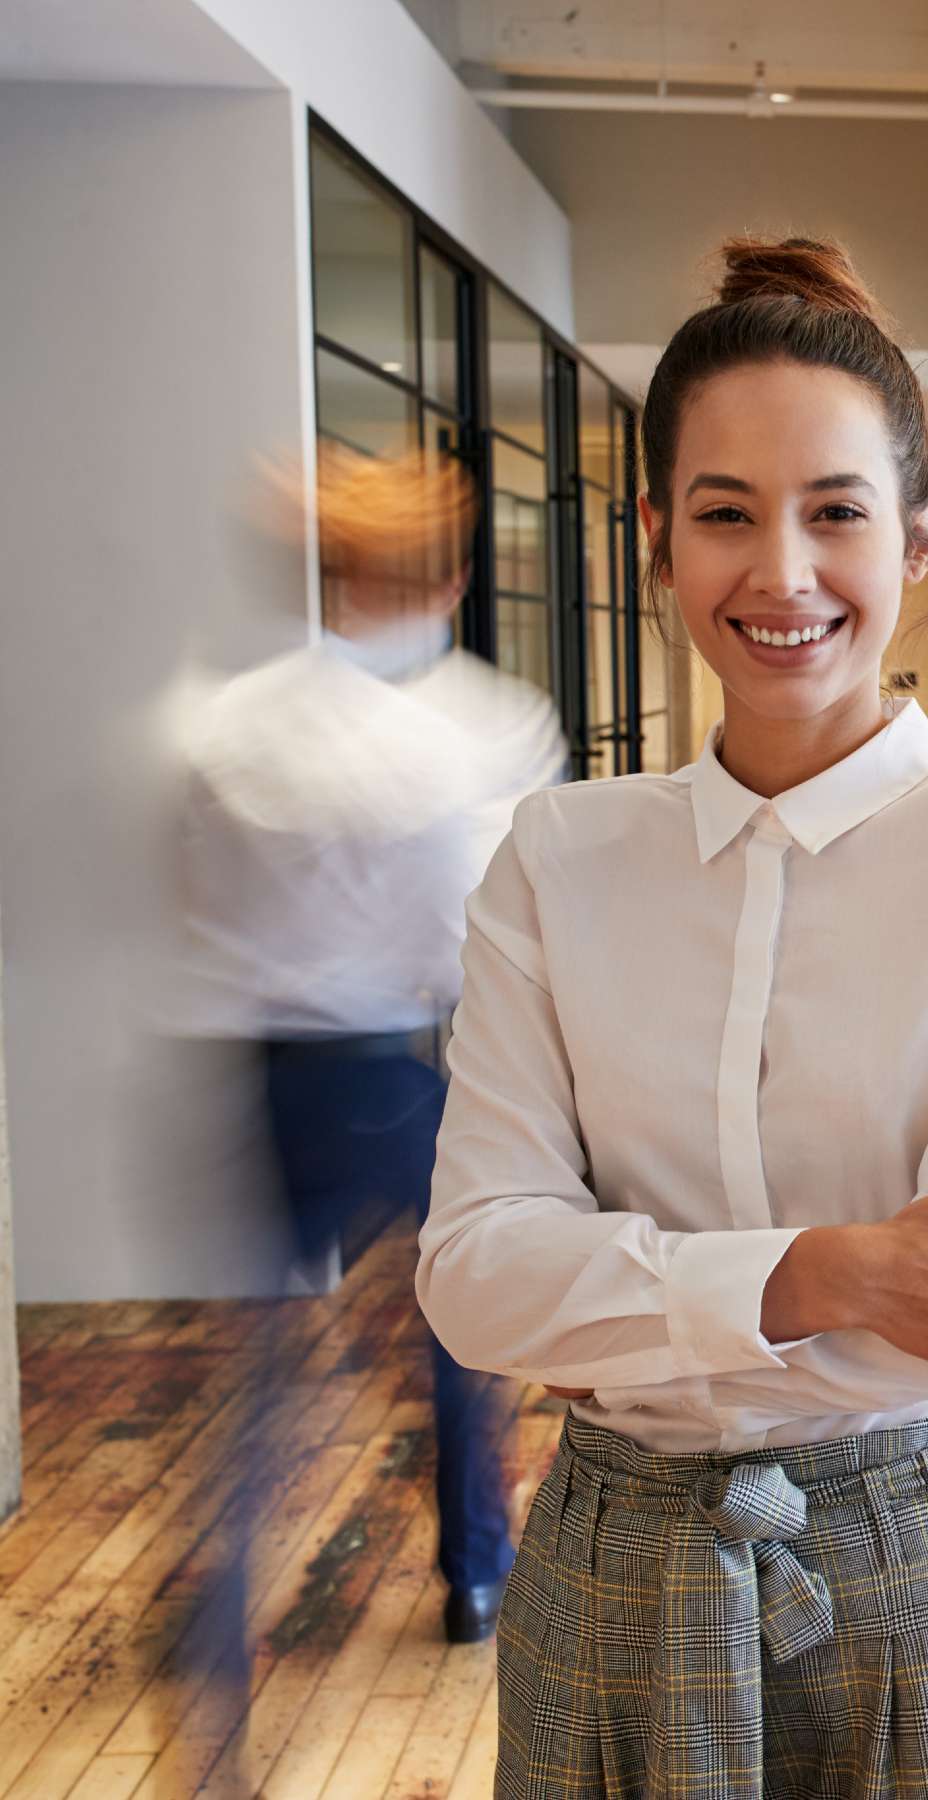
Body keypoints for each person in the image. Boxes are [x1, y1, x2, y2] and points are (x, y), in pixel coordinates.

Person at [417, 238, 928, 1795]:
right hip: (610, 1578)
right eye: (726, 515)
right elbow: (475, 1277)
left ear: (923, 538)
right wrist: (842, 1269)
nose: (782, 575)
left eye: (837, 514)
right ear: (659, 542)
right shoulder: (558, 855)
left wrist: (630, 1300)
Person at [181, 445, 566, 1647]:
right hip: (403, 1069)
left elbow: (195, 905)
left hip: (263, 1073)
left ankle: (225, 1593)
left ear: (330, 570)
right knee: (462, 1332)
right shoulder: (486, 732)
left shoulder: (225, 720)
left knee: (255, 1367)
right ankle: (477, 1576)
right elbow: (486, 935)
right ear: (453, 580)